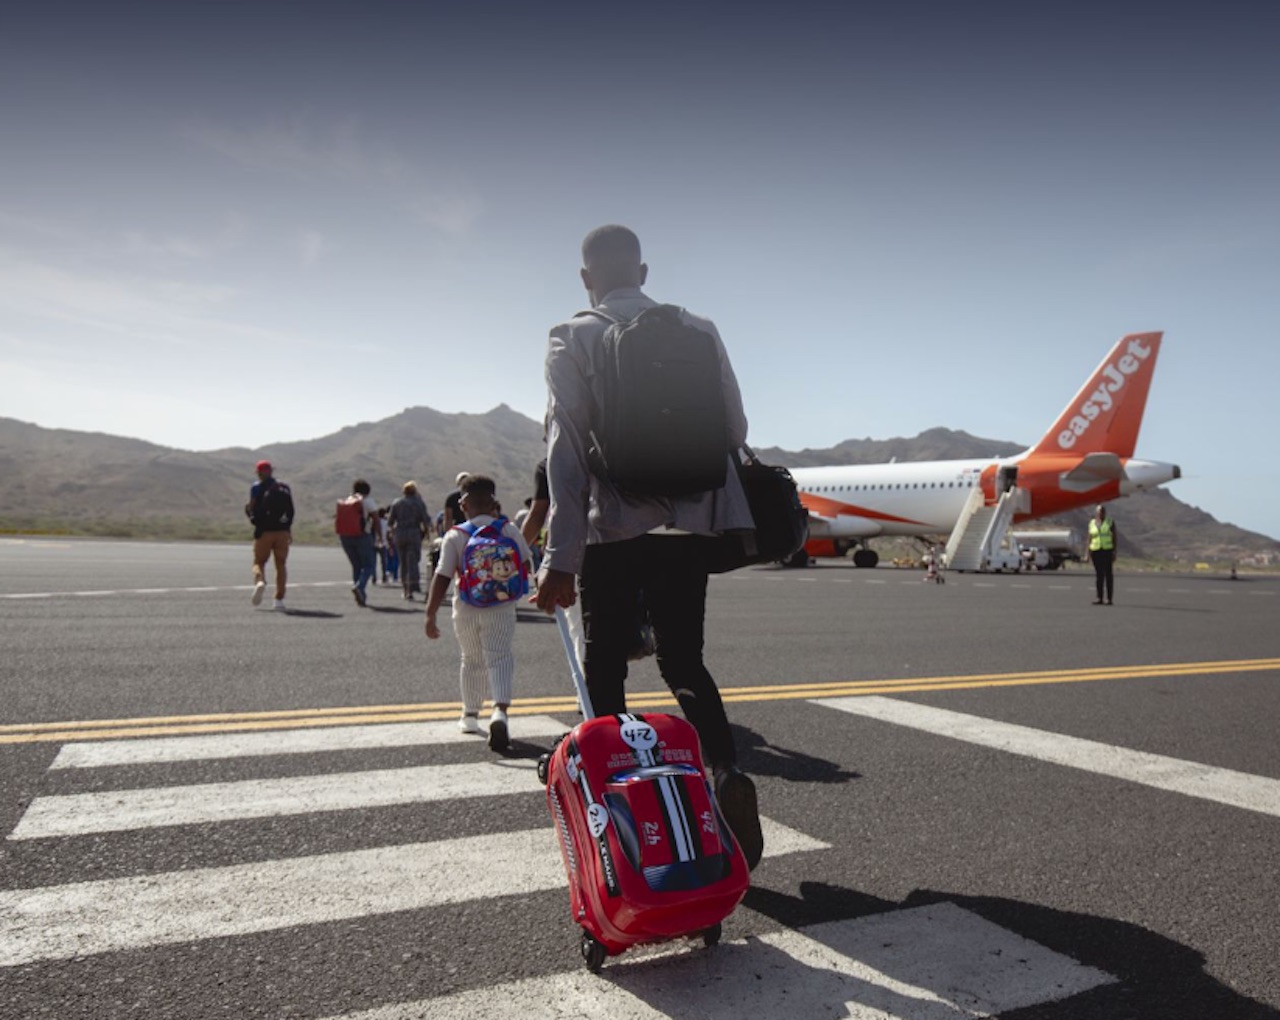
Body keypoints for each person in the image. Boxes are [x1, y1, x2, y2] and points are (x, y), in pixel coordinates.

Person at [533, 224, 764, 869]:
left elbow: (567, 450)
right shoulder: (699, 329)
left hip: (615, 526)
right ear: (644, 269)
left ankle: (628, 814)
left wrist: (560, 559)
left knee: (605, 664)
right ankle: (724, 772)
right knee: (685, 662)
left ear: (586, 279)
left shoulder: (572, 335)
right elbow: (736, 426)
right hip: (690, 526)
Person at [425, 474, 533, 753]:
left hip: (466, 606)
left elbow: (443, 575)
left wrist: (430, 613)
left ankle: (470, 715)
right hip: (502, 605)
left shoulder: (456, 535)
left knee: (471, 659)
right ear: (494, 503)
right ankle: (500, 711)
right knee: (500, 656)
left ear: (463, 504)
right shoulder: (508, 530)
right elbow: (526, 562)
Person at [244, 460, 293, 612]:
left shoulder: (256, 487)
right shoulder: (284, 487)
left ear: (258, 472)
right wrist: (288, 530)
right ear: (271, 471)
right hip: (282, 532)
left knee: (259, 562)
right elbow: (291, 511)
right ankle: (279, 600)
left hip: (264, 532)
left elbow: (251, 508)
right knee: (281, 565)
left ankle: (260, 581)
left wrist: (250, 513)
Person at [337, 479, 378, 607]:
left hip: (345, 537)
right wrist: (380, 537)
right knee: (369, 565)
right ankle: (360, 587)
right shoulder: (367, 501)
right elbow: (376, 519)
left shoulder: (348, 500)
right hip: (362, 536)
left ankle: (361, 595)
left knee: (356, 565)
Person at [389, 481, 431, 600]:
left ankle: (405, 588)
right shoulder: (418, 503)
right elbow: (425, 520)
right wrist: (427, 534)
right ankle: (412, 587)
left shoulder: (397, 503)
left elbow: (390, 522)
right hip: (413, 533)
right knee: (413, 561)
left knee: (403, 563)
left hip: (400, 534)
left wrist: (393, 534)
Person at [1086, 504, 1117, 605]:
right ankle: (1099, 598)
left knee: (1108, 575)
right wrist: (1087, 553)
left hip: (1107, 550)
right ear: (1096, 513)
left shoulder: (1110, 522)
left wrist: (1114, 551)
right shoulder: (1092, 523)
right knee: (1099, 576)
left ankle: (1109, 599)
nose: (1101, 513)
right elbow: (1089, 539)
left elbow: (1114, 537)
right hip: (1096, 551)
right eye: (1099, 511)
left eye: (1103, 511)